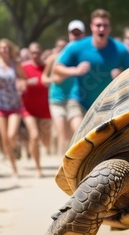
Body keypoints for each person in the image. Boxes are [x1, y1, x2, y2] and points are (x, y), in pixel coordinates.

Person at [53, 9, 129, 113]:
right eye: (98, 25)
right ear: (92, 27)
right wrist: (75, 71)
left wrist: (121, 75)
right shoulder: (78, 47)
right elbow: (57, 68)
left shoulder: (120, 50)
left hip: (107, 105)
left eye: (105, 25)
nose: (101, 28)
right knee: (78, 128)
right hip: (78, 101)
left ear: (110, 28)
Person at [41, 23, 85, 154]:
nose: (60, 49)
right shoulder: (53, 59)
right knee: (62, 134)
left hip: (74, 99)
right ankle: (61, 163)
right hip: (56, 99)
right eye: (58, 46)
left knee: (73, 133)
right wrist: (54, 79)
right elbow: (43, 78)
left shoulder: (76, 56)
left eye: (62, 46)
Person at [0, 38, 27, 178]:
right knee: (5, 138)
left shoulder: (16, 64)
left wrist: (21, 84)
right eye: (2, 48)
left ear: (10, 49)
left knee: (11, 135)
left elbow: (23, 78)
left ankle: (16, 146)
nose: (4, 50)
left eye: (6, 48)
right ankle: (14, 168)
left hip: (15, 105)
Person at [22, 42, 52, 177]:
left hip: (45, 109)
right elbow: (17, 83)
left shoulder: (47, 67)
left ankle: (32, 147)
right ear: (29, 53)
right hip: (28, 109)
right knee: (34, 136)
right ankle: (38, 168)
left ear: (41, 53)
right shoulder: (23, 67)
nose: (35, 55)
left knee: (46, 141)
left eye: (37, 52)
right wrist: (27, 83)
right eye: (32, 52)